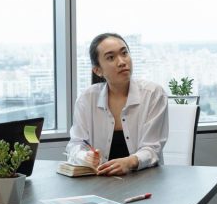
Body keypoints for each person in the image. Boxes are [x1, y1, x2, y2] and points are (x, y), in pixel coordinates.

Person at [66, 33, 168, 176]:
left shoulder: (153, 94)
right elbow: (75, 144)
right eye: (111, 57)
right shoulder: (87, 99)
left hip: (145, 179)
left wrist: (129, 162)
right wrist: (86, 157)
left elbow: (152, 148)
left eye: (124, 53)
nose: (121, 62)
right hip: (100, 180)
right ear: (98, 70)